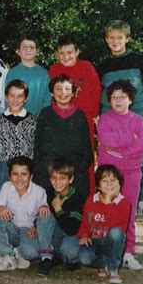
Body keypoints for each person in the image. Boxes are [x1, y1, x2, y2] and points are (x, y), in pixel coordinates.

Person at [97, 20, 143, 216]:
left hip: (134, 113)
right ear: (106, 40)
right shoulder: (103, 65)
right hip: (109, 115)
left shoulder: (139, 60)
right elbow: (99, 91)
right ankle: (111, 195)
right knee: (112, 153)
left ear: (127, 39)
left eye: (120, 38)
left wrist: (138, 108)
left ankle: (142, 200)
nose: (115, 41)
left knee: (138, 152)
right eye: (112, 38)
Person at [97, 80, 143, 271]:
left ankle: (128, 253)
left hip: (132, 173)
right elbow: (106, 139)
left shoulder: (138, 121)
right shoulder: (104, 119)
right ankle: (107, 254)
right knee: (107, 211)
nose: (118, 100)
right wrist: (129, 138)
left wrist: (121, 150)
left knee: (129, 212)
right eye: (114, 97)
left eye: (122, 97)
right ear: (109, 100)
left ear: (130, 100)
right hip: (109, 175)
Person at [49, 34, 101, 193]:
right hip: (62, 120)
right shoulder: (54, 69)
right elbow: (53, 95)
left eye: (70, 53)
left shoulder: (87, 67)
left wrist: (93, 115)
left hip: (84, 120)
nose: (66, 57)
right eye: (62, 53)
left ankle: (88, 196)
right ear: (57, 53)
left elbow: (96, 91)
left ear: (77, 52)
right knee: (62, 160)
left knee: (86, 160)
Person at [0, 156, 54, 276]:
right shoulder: (6, 187)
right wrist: (1, 209)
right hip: (12, 228)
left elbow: (43, 219)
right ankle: (9, 256)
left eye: (24, 174)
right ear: (10, 176)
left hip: (27, 231)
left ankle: (19, 252)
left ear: (31, 176)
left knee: (31, 253)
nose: (19, 179)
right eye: (15, 174)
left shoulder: (39, 192)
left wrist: (36, 228)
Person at [33, 74, 93, 200]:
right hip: (48, 171)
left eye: (67, 88)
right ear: (52, 93)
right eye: (58, 89)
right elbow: (38, 146)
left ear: (73, 93)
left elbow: (86, 149)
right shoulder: (45, 114)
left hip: (74, 172)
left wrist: (72, 170)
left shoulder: (80, 116)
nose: (63, 92)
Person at [78, 164, 131, 284]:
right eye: (105, 181)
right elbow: (85, 223)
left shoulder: (124, 202)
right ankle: (104, 263)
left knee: (116, 233)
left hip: (113, 242)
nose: (109, 184)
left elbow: (116, 228)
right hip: (96, 241)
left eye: (113, 180)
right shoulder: (91, 200)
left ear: (119, 183)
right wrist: (84, 235)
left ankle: (113, 269)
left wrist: (108, 201)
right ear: (98, 185)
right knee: (83, 257)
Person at [0, 79, 37, 193]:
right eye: (12, 96)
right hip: (4, 167)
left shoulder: (33, 121)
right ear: (6, 98)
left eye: (20, 96)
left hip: (25, 168)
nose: (15, 100)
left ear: (26, 99)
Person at [46, 158, 84, 272]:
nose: (57, 182)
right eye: (54, 178)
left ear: (71, 179)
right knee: (45, 216)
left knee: (69, 250)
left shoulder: (76, 198)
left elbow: (72, 230)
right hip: (57, 232)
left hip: (71, 234)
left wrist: (58, 209)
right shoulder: (49, 193)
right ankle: (56, 255)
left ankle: (73, 259)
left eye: (62, 178)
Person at [3, 35, 50, 116]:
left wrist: (37, 117)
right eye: (24, 47)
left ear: (37, 51)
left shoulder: (44, 74)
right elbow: (8, 99)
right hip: (16, 118)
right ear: (18, 52)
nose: (28, 50)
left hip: (39, 120)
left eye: (31, 47)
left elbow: (47, 100)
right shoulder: (12, 73)